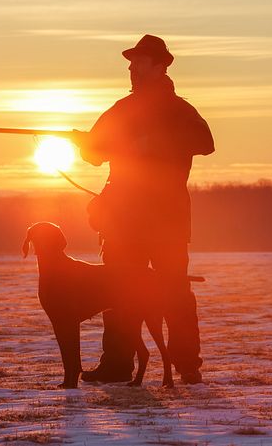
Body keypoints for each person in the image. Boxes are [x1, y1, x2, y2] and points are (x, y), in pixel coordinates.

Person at [76, 34, 214, 384]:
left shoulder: (179, 110)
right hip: (123, 220)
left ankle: (187, 365)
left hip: (166, 221)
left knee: (174, 293)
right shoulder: (120, 110)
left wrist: (147, 142)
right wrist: (88, 144)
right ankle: (117, 365)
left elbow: (205, 142)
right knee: (119, 293)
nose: (131, 68)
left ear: (160, 65)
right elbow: (92, 155)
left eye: (138, 61)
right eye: (131, 62)